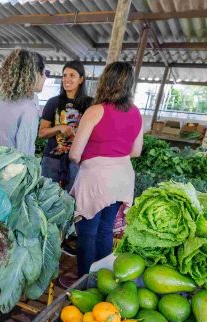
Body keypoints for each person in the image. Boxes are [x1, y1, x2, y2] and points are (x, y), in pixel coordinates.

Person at [67, 61, 143, 280]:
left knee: (87, 232)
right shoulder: (136, 113)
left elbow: (74, 154)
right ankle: (103, 280)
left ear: (105, 81)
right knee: (106, 229)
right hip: (122, 178)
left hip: (96, 178)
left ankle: (85, 281)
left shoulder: (95, 111)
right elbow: (136, 151)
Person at [39, 61, 92, 190]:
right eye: (64, 75)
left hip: (77, 162)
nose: (67, 79)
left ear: (81, 79)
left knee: (72, 199)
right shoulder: (53, 102)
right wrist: (59, 128)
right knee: (47, 196)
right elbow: (42, 133)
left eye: (72, 75)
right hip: (52, 160)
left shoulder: (90, 104)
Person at [0, 49, 46, 155]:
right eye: (44, 73)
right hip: (12, 164)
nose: (45, 77)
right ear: (36, 75)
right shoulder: (29, 108)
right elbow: (25, 153)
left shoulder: (2, 101)